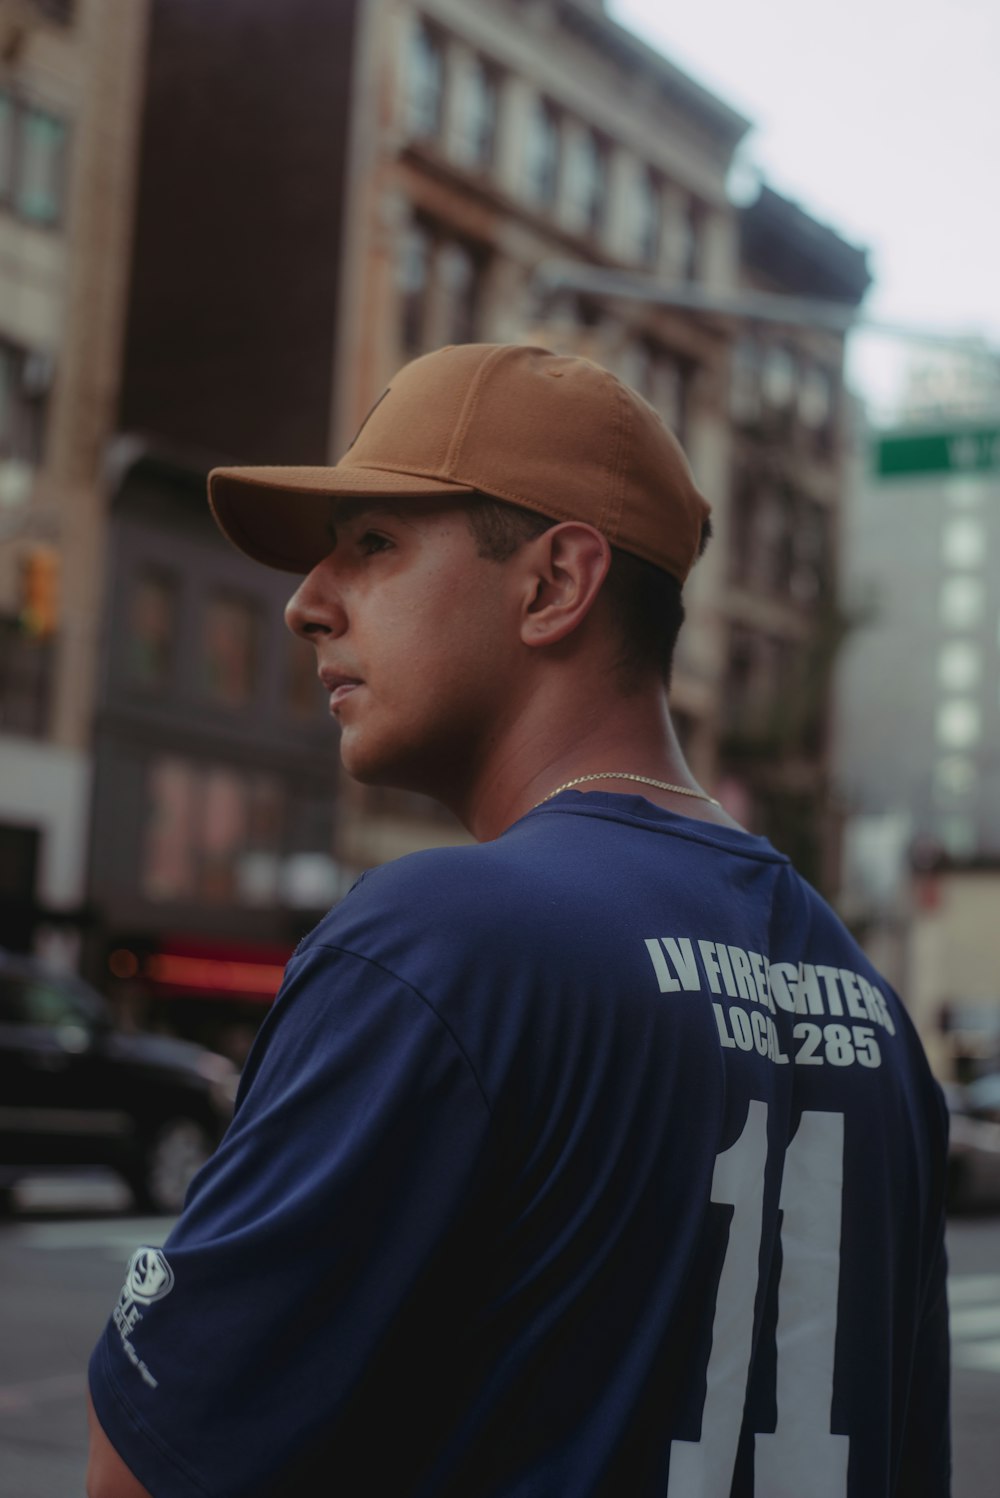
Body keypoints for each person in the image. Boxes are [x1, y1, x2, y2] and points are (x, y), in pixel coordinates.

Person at [87, 342, 950, 1498]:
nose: (306, 603)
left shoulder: (440, 945)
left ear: (553, 583)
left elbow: (144, 1475)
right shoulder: (870, 1011)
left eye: (373, 543)